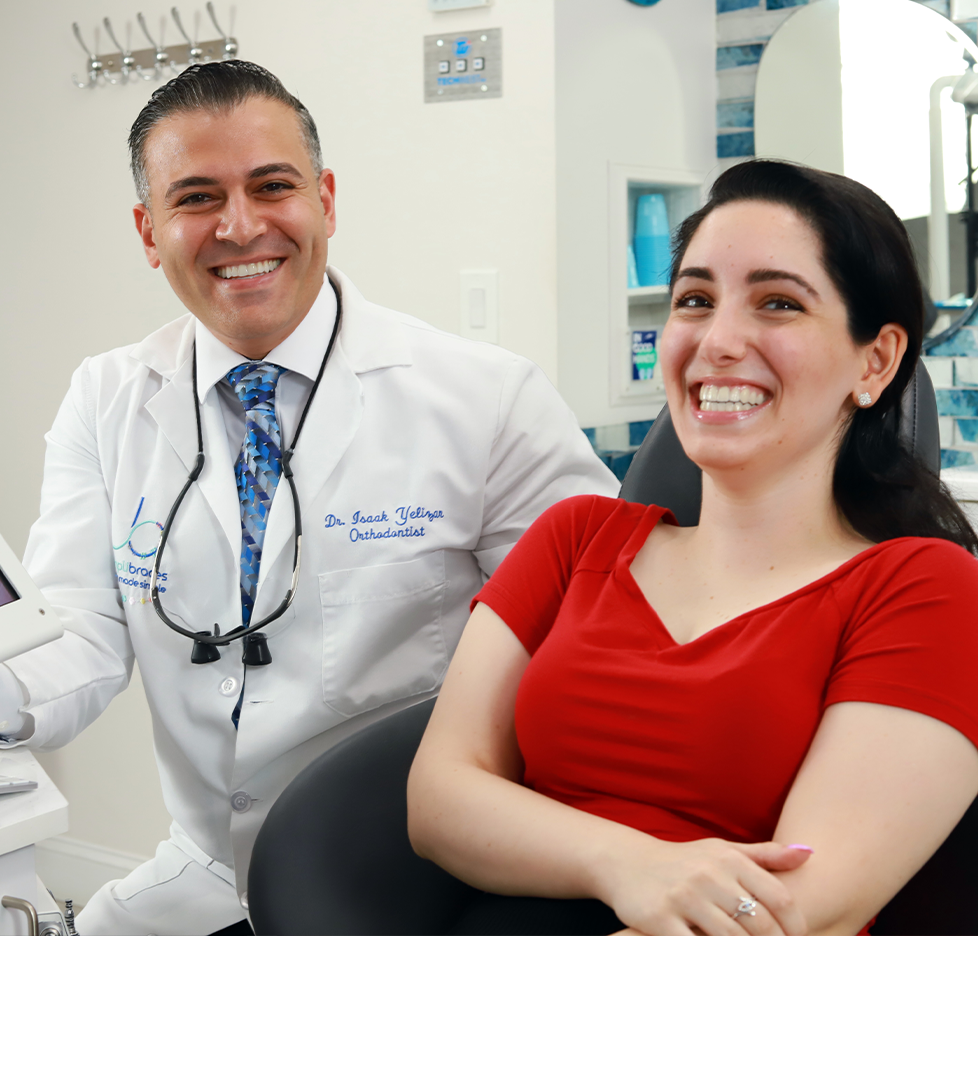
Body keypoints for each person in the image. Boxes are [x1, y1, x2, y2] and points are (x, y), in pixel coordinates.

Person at [0, 60, 619, 935]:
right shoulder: (107, 399)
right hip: (208, 863)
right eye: (197, 198)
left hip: (412, 871)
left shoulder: (486, 400)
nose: (240, 225)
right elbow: (79, 633)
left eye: (272, 185)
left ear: (325, 198)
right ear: (149, 229)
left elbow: (598, 647)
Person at [408, 158, 978, 936]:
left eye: (778, 302)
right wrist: (630, 862)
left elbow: (791, 915)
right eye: (694, 299)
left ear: (876, 360)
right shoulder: (576, 536)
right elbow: (439, 798)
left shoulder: (924, 590)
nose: (718, 340)